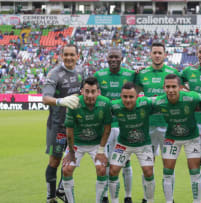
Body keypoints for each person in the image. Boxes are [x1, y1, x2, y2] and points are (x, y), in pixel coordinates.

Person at [42, 44, 84, 203]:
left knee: (73, 159)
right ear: (61, 55)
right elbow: (45, 99)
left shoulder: (80, 71)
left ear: (77, 56)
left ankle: (62, 189)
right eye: (65, 54)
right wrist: (60, 101)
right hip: (57, 125)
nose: (69, 58)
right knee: (55, 160)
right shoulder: (54, 74)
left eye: (72, 55)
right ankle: (51, 197)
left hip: (74, 126)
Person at [94, 48, 136, 203]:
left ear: (121, 58)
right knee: (104, 162)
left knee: (125, 162)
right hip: (105, 126)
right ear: (106, 58)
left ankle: (128, 196)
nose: (113, 59)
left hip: (124, 125)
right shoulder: (99, 75)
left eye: (116, 57)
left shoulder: (130, 74)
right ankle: (105, 195)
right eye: (110, 57)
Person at [153, 74, 201, 203]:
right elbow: (142, 101)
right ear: (163, 88)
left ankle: (197, 201)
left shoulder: (191, 97)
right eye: (168, 87)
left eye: (174, 87)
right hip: (171, 139)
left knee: (195, 171)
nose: (170, 90)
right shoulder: (159, 101)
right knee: (167, 172)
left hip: (192, 138)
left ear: (180, 87)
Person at [62, 77, 112, 203]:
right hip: (77, 143)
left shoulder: (105, 103)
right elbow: (69, 130)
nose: (90, 95)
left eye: (93, 91)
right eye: (87, 91)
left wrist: (101, 150)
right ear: (82, 91)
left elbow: (107, 129)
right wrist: (71, 152)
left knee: (102, 169)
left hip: (97, 144)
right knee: (66, 169)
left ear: (98, 92)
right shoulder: (73, 104)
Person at [109, 82, 155, 203]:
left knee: (148, 172)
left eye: (131, 97)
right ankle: (114, 201)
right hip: (123, 144)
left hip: (143, 144)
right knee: (113, 170)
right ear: (120, 96)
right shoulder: (114, 106)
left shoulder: (146, 103)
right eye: (125, 96)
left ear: (137, 96)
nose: (128, 100)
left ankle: (149, 200)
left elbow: (164, 98)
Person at [135, 42, 182, 158]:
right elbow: (134, 96)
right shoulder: (142, 74)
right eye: (154, 53)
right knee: (148, 163)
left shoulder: (173, 73)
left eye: (160, 53)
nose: (157, 55)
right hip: (148, 124)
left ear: (165, 55)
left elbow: (181, 95)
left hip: (168, 125)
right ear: (150, 55)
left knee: (169, 162)